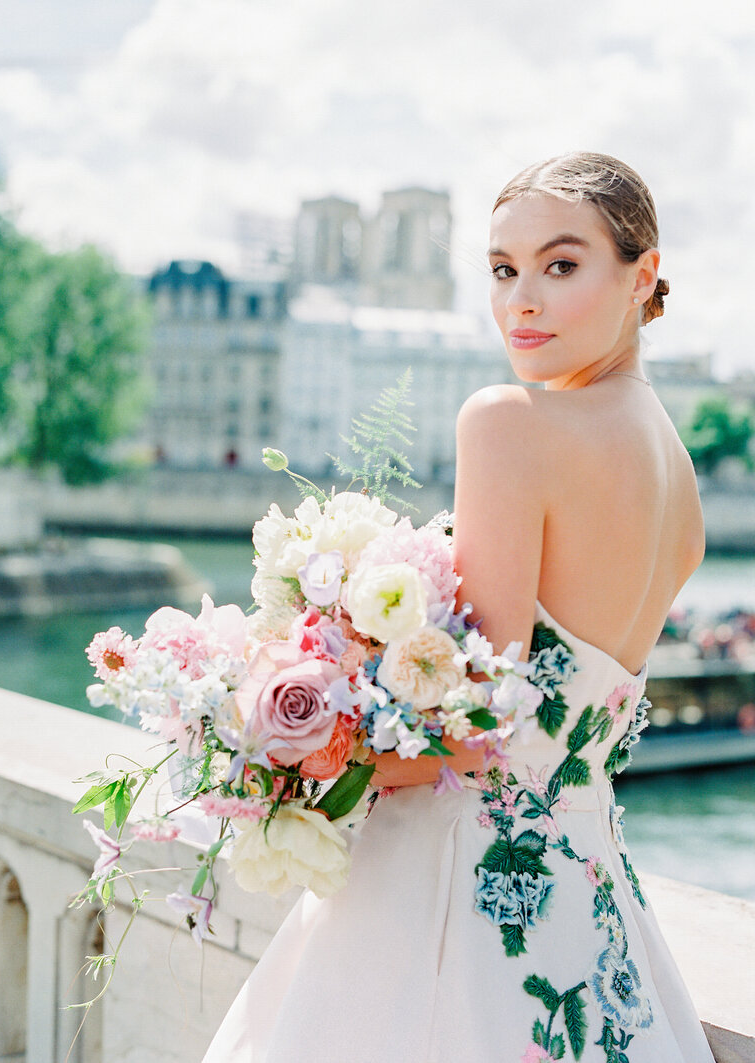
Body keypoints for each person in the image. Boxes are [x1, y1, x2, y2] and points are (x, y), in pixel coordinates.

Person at [202, 152, 714, 1062]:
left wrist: (291, 752)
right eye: (502, 268)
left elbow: (477, 733)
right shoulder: (679, 475)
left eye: (560, 266)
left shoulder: (509, 423)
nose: (522, 300)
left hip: (451, 892)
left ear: (643, 274)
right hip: (592, 914)